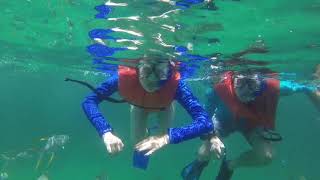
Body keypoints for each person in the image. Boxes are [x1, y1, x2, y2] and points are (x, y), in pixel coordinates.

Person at [81, 56, 225, 169]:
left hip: (165, 106)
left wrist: (166, 138)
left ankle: (157, 133)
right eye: (147, 71)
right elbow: (89, 101)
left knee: (162, 140)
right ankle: (147, 142)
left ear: (169, 71)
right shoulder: (121, 78)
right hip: (139, 106)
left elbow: (205, 122)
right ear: (137, 68)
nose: (152, 79)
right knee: (137, 144)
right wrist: (105, 132)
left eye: (160, 72)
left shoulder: (178, 86)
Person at [181, 68, 320, 180]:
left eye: (252, 84)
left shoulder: (272, 87)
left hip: (252, 123)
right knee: (205, 151)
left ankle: (230, 166)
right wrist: (212, 138)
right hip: (223, 120)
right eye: (241, 83)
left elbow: (306, 86)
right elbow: (204, 117)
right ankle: (198, 164)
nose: (246, 90)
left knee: (266, 156)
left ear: (261, 81)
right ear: (233, 79)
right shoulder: (218, 88)